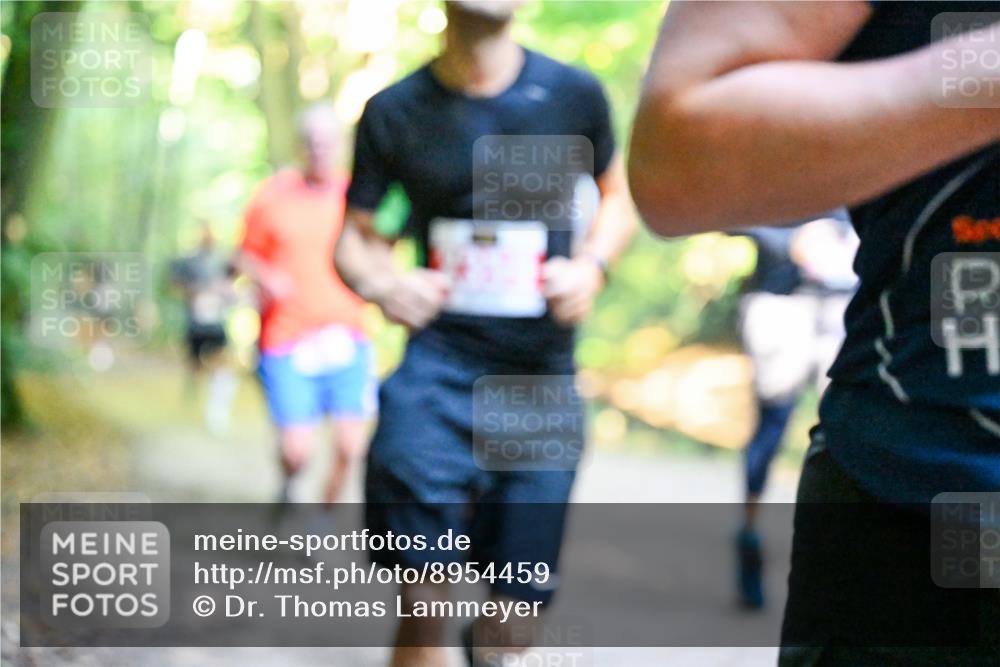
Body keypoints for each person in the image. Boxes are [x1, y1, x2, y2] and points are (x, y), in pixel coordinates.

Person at [629, 1, 999, 664]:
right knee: (770, 419)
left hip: (844, 319)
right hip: (917, 493)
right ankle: (747, 532)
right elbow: (677, 163)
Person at [335, 2, 636, 665]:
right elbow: (356, 241)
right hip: (435, 374)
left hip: (537, 381)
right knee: (425, 603)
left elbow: (618, 197)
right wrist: (386, 283)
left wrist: (592, 266)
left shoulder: (573, 95)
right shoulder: (394, 111)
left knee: (511, 623)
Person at [237, 103, 375, 506]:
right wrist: (265, 277)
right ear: (301, 146)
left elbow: (383, 249)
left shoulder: (359, 198)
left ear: (341, 145)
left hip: (347, 337)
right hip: (288, 337)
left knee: (351, 446)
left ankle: (321, 522)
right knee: (297, 452)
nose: (320, 149)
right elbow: (242, 256)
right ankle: (289, 484)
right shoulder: (273, 196)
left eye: (327, 141)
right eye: (312, 142)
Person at [732, 212, 858, 609]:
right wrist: (790, 238)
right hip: (781, 302)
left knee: (849, 429)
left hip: (846, 304)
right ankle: (749, 537)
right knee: (772, 427)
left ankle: (839, 558)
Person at [170, 222, 239, 436]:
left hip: (216, 324)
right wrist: (196, 293)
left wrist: (226, 296)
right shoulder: (189, 262)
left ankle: (216, 413)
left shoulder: (222, 261)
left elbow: (231, 287)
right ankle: (193, 395)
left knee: (223, 365)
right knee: (195, 366)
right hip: (195, 324)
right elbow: (175, 286)